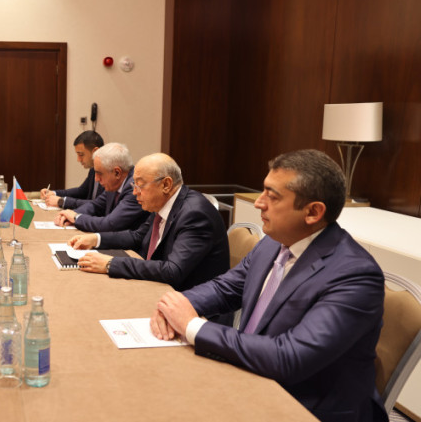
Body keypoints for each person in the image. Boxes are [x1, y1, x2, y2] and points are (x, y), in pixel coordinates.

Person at [151, 149, 387, 422]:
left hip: (306, 406)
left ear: (313, 212)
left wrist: (192, 325)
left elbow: (290, 357)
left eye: (272, 196)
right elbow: (225, 288)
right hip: (250, 377)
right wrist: (176, 307)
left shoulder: (355, 275)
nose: (259, 203)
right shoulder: (273, 242)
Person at [68, 153, 229, 292]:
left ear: (166, 185)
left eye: (140, 185)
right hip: (160, 288)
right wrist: (96, 239)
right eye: (134, 185)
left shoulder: (195, 214)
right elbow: (137, 236)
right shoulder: (164, 203)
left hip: (192, 302)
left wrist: (110, 264)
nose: (134, 192)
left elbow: (172, 270)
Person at [54, 142, 148, 232]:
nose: (96, 179)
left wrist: (76, 217)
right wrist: (69, 215)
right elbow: (96, 205)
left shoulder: (134, 188)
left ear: (117, 173)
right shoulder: (114, 184)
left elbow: (110, 224)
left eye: (99, 173)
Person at [40, 130, 104, 209]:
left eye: (81, 155)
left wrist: (62, 201)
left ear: (95, 151)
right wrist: (53, 193)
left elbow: (99, 204)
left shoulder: (109, 173)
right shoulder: (93, 170)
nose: (78, 159)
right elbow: (81, 191)